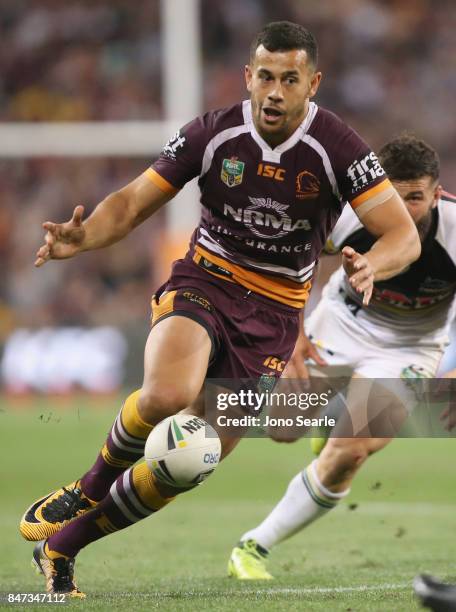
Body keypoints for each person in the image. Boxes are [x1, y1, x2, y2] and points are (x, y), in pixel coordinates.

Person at [20, 22, 420, 597]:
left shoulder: (338, 148)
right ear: (248, 78)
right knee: (167, 395)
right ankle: (87, 486)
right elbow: (133, 201)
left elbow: (401, 235)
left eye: (290, 79)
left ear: (314, 83)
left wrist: (373, 265)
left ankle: (62, 548)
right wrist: (83, 239)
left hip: (275, 319)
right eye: (265, 77)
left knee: (190, 461)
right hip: (207, 281)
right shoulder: (212, 134)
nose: (275, 92)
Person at [228, 135, 456, 580]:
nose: (407, 210)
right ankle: (333, 412)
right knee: (281, 429)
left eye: (417, 197)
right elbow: (283, 267)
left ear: (436, 192)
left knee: (350, 452)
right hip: (340, 325)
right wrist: (290, 335)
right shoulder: (346, 213)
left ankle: (254, 545)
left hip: (411, 348)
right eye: (397, 197)